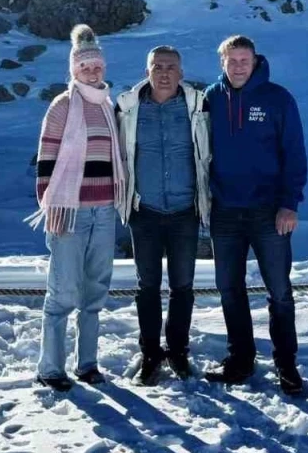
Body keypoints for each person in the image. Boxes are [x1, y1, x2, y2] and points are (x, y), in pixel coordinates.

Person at [202, 35, 308, 395]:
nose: (237, 67)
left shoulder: (278, 99)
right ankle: (240, 360)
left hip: (269, 212)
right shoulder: (210, 99)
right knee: (230, 289)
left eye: (243, 60)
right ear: (222, 63)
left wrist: (289, 203)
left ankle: (286, 365)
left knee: (279, 290)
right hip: (225, 211)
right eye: (231, 61)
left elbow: (294, 153)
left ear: (255, 60)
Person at [27, 24, 129, 391]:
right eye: (84, 66)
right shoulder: (63, 106)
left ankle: (88, 363)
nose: (92, 71)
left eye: (96, 66)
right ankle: (50, 367)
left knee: (95, 290)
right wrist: (51, 204)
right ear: (73, 69)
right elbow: (46, 160)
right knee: (63, 291)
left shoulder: (107, 105)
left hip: (104, 211)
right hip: (69, 211)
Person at [115, 45, 211, 385]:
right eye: (158, 66)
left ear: (181, 73)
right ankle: (151, 351)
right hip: (146, 212)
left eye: (171, 66)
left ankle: (179, 350)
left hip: (185, 209)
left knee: (183, 286)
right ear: (147, 71)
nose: (165, 72)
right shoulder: (127, 108)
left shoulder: (198, 106)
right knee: (148, 287)